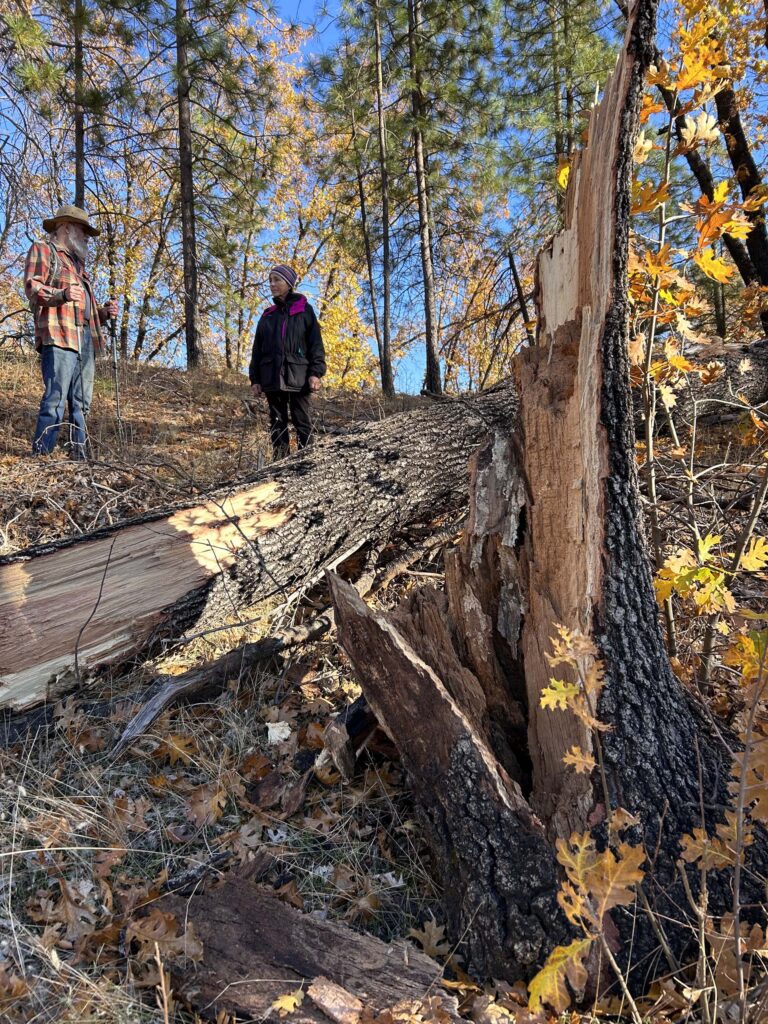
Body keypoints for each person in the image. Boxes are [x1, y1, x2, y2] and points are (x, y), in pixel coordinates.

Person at [26, 204, 118, 459]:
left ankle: (80, 458)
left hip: (85, 339)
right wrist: (61, 294)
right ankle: (41, 458)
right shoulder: (43, 250)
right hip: (58, 335)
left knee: (81, 404)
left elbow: (84, 312)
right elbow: (33, 287)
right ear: (65, 227)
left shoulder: (79, 267)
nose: (87, 236)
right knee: (54, 400)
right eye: (82, 229)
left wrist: (103, 313)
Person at [249, 264, 326, 459]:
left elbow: (315, 344)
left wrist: (316, 373)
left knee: (302, 420)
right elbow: (257, 350)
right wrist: (255, 379)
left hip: (299, 376)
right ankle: (280, 463)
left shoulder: (304, 310)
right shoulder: (267, 315)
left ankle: (307, 461)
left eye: (277, 280)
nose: (272, 284)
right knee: (277, 422)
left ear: (289, 283)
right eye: (270, 281)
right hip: (271, 377)